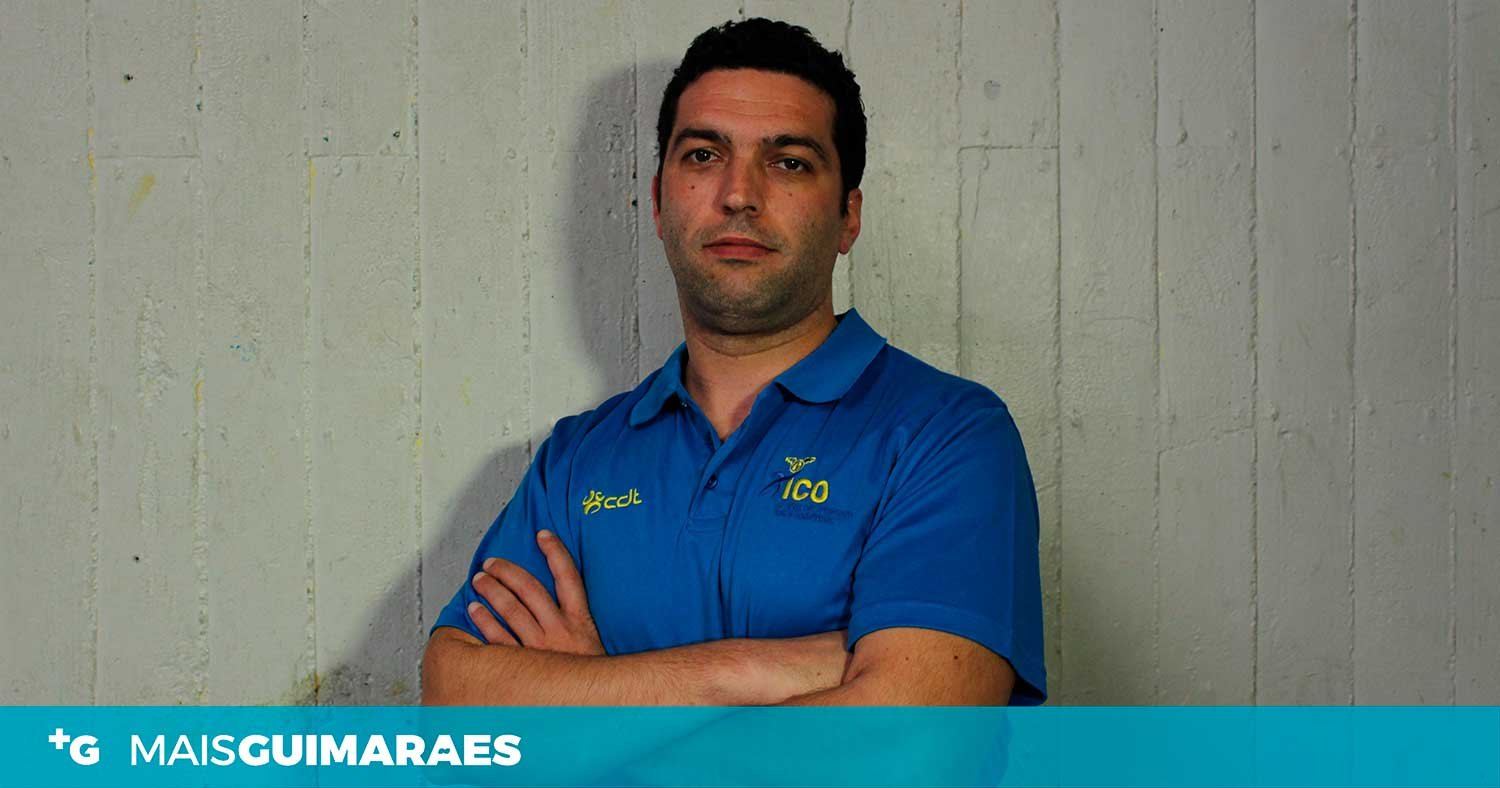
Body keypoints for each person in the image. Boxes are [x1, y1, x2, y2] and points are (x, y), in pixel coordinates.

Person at [421, 17, 1046, 706]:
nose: (739, 193)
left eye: (789, 162)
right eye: (702, 155)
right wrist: (748, 671)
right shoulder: (575, 462)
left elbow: (908, 744)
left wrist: (587, 700)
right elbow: (456, 695)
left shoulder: (948, 435)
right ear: (658, 204)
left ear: (848, 217)